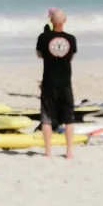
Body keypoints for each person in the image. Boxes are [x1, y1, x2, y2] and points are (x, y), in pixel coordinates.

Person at [36, 9, 77, 158]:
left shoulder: (43, 37)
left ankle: (48, 151)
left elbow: (39, 55)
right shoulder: (71, 39)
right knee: (68, 117)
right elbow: (71, 56)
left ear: (51, 21)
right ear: (64, 21)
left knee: (46, 118)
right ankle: (69, 151)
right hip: (65, 82)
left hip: (49, 80)